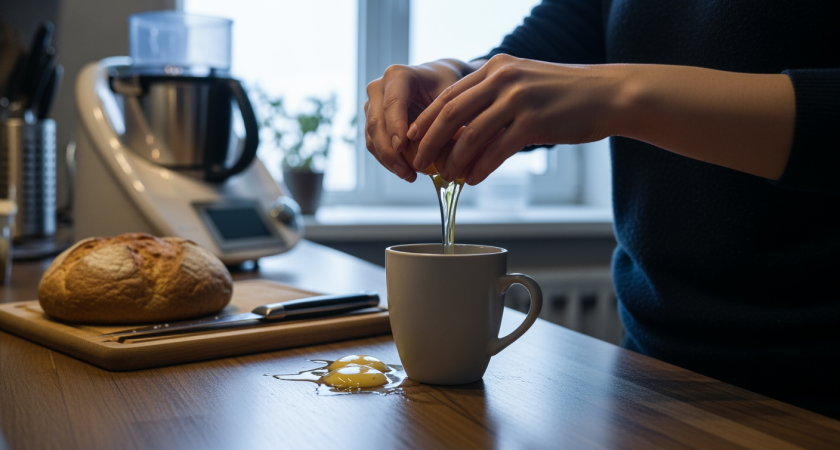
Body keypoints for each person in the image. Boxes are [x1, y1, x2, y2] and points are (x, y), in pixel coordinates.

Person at [364, 0, 840, 418]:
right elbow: (557, 41)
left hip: (815, 390)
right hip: (648, 378)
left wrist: (620, 95)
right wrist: (460, 81)